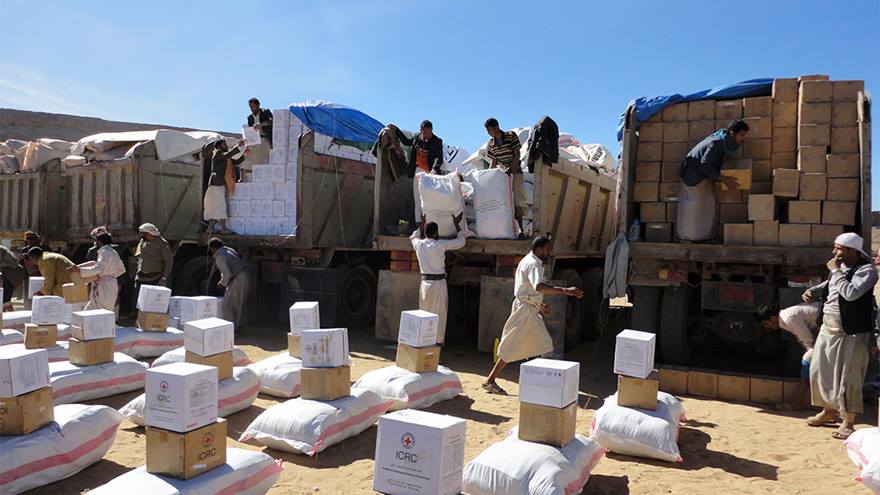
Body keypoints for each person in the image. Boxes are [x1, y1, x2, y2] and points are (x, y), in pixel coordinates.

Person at [482, 236, 583, 394]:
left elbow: (529, 289)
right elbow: (539, 286)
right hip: (525, 311)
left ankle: (541, 383)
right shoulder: (533, 263)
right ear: (539, 249)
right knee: (511, 347)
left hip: (530, 309)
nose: (548, 252)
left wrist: (538, 305)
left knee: (545, 345)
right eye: (546, 249)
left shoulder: (528, 260)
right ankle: (490, 380)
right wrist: (566, 291)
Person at [802, 233, 877, 439]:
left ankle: (848, 421)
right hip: (829, 328)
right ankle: (828, 411)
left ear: (853, 251)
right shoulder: (840, 269)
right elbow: (831, 286)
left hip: (851, 333)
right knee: (820, 370)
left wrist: (835, 271)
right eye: (835, 248)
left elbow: (851, 293)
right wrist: (813, 291)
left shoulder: (868, 271)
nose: (835, 253)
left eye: (840, 249)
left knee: (849, 376)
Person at [676, 120, 749, 242]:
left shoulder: (723, 142)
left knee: (707, 206)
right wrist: (724, 179)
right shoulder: (717, 143)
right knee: (693, 209)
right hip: (693, 177)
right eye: (741, 135)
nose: (743, 138)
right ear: (732, 133)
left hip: (703, 177)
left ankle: (703, 238)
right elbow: (704, 164)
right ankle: (687, 239)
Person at [411, 213, 467, 345]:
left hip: (425, 284)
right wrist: (457, 224)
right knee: (439, 315)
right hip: (438, 284)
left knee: (424, 313)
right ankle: (437, 344)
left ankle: (423, 342)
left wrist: (422, 224)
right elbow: (461, 242)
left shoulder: (419, 245)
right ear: (436, 233)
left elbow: (413, 236)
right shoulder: (440, 245)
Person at [757, 302, 821, 408]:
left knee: (806, 361)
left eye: (766, 323)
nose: (767, 327)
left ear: (773, 318)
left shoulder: (789, 319)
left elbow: (809, 341)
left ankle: (796, 403)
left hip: (830, 324)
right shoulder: (786, 317)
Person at [485, 118, 527, 236]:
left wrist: (511, 169)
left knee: (517, 201)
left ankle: (520, 230)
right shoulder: (491, 143)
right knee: (504, 202)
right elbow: (493, 161)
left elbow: (517, 154)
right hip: (503, 175)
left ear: (496, 127)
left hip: (515, 172)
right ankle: (507, 229)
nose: (489, 133)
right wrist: (488, 175)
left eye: (489, 130)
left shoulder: (510, 136)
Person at [73, 231, 126, 313]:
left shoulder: (104, 252)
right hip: (111, 284)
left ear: (99, 242)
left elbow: (98, 269)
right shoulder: (113, 252)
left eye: (96, 241)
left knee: (98, 311)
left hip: (103, 286)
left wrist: (80, 270)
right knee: (103, 310)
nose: (95, 243)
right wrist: (111, 276)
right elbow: (122, 269)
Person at [205, 139, 247, 234]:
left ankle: (210, 228)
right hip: (217, 182)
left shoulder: (224, 156)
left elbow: (235, 162)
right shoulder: (218, 154)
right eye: (224, 144)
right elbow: (228, 155)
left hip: (220, 182)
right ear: (219, 147)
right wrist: (239, 146)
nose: (226, 146)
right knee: (220, 205)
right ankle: (223, 229)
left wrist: (244, 153)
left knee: (215, 206)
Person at [208, 237, 249, 330]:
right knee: (239, 304)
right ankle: (238, 326)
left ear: (213, 248)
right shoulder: (230, 250)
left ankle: (232, 329)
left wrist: (222, 284)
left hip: (237, 278)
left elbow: (227, 274)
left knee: (227, 305)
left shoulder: (219, 257)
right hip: (244, 275)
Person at [133, 223, 172, 311]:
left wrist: (164, 277)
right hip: (141, 276)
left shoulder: (162, 243)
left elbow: (169, 261)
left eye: (142, 233)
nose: (140, 235)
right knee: (139, 300)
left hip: (155, 277)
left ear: (148, 233)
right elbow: (138, 256)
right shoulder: (142, 242)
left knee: (153, 302)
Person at [1, 244, 24, 311]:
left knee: (5, 299)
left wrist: (2, 264)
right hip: (6, 277)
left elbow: (14, 262)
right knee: (4, 299)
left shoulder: (2, 250)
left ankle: (12, 317)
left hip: (11, 277)